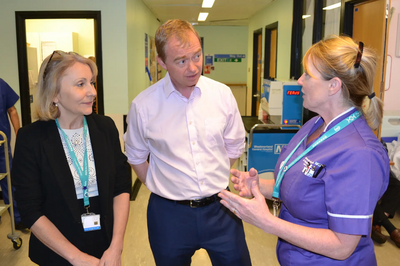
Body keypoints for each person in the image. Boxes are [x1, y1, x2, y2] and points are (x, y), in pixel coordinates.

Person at [218, 35, 390, 265]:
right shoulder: (316, 124)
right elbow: (305, 188)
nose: (299, 80)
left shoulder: (360, 154)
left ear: (334, 85)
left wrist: (266, 221)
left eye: (308, 74)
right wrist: (259, 186)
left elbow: (342, 246)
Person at [124, 19, 251, 266]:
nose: (193, 67)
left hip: (221, 209)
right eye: (181, 61)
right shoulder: (144, 106)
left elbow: (234, 144)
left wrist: (212, 174)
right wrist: (159, 184)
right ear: (161, 63)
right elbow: (136, 156)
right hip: (169, 216)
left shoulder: (221, 95)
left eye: (197, 56)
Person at [12, 51, 132, 266]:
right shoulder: (31, 139)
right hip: (56, 253)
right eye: (80, 84)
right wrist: (77, 258)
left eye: (92, 83)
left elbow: (121, 186)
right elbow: (30, 209)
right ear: (55, 94)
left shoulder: (105, 128)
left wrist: (116, 246)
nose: (92, 92)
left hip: (105, 248)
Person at [0, 78, 25, 230]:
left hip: (2, 143)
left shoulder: (1, 84)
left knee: (8, 182)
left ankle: (17, 217)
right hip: (2, 142)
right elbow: (13, 111)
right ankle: (18, 219)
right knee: (8, 180)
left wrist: (19, 134)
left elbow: (12, 110)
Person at [371, 169, 400, 247]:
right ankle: (390, 228)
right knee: (368, 190)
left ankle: (376, 224)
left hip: (375, 173)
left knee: (396, 185)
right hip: (359, 176)